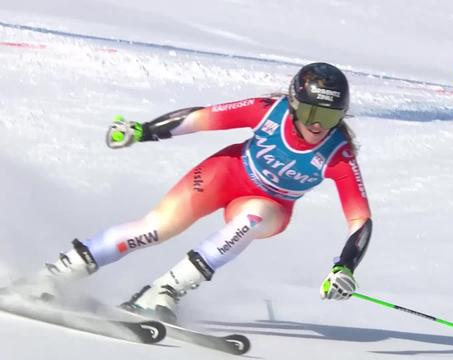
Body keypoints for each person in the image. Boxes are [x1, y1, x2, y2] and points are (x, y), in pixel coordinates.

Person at [21, 62, 372, 323]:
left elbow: (360, 220)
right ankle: (58, 273)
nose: (316, 126)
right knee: (157, 228)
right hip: (227, 172)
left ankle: (165, 290)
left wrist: (345, 267)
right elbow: (202, 118)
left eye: (328, 118)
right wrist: (143, 131)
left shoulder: (338, 154)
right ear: (295, 105)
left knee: (253, 218)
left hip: (270, 204)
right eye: (311, 113)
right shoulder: (267, 112)